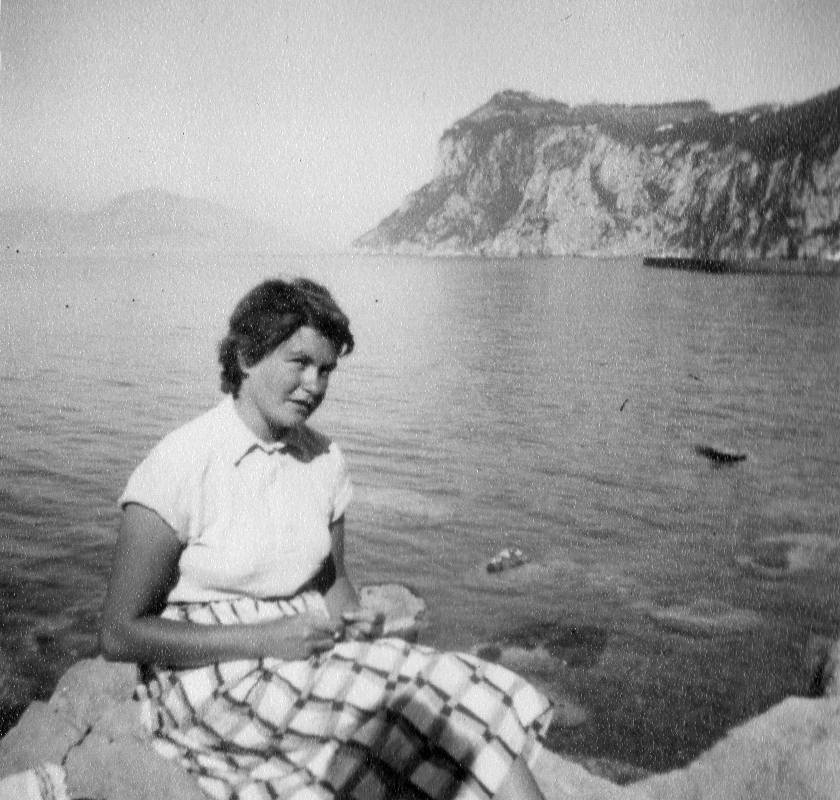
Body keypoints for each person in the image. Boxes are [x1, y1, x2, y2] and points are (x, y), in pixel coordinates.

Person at [100, 277, 553, 800]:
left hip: (300, 651)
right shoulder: (180, 464)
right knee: (435, 698)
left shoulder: (324, 460)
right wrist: (264, 639)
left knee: (446, 724)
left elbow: (333, 582)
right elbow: (117, 634)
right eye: (299, 363)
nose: (314, 385)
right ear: (247, 356)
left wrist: (359, 624)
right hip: (209, 678)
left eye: (327, 370)